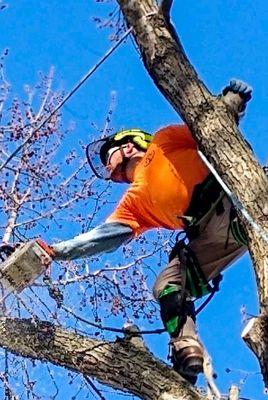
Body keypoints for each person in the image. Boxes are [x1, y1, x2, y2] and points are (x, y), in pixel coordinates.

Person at [48, 80, 252, 383]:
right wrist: (55, 252)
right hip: (210, 233)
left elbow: (212, 128)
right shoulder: (132, 205)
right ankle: (186, 349)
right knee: (167, 284)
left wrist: (230, 102)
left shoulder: (163, 141)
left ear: (128, 145)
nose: (107, 166)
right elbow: (99, 239)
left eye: (109, 155)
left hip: (235, 193)